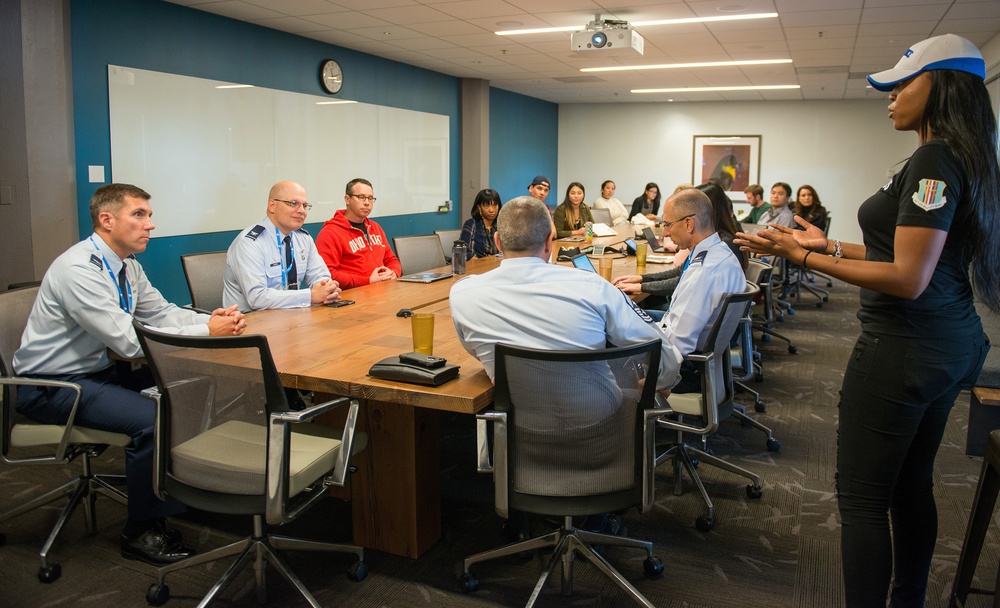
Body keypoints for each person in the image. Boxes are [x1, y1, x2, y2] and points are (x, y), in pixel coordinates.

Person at [735, 33, 998, 607]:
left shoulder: (935, 158)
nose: (892, 95)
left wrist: (802, 257)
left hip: (905, 348)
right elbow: (906, 256)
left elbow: (907, 276)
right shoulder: (963, 155)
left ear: (942, 86)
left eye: (904, 83)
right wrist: (826, 247)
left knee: (860, 498)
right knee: (909, 485)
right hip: (950, 342)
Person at [12, 183, 248, 566]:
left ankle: (179, 490)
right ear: (107, 220)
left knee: (195, 386)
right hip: (52, 386)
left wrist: (208, 319)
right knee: (154, 418)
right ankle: (142, 531)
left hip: (97, 373)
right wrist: (207, 333)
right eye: (139, 215)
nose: (150, 225)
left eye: (149, 215)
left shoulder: (125, 265)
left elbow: (162, 314)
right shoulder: (79, 270)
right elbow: (129, 343)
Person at [614, 184, 746, 316]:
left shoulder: (716, 251)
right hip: (690, 316)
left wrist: (641, 286)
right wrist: (641, 279)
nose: (666, 232)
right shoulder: (714, 244)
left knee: (621, 316)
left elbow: (678, 333)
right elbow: (682, 272)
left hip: (684, 317)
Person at [223, 180, 341, 312]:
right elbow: (257, 298)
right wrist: (310, 296)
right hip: (248, 323)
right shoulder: (249, 243)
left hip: (291, 317)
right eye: (293, 203)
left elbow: (320, 276)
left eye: (305, 205)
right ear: (272, 206)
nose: (302, 211)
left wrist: (326, 288)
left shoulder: (304, 238)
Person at [315, 178, 403, 289]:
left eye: (370, 198)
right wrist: (368, 281)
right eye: (361, 197)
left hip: (382, 292)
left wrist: (393, 273)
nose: (367, 203)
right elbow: (328, 275)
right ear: (347, 199)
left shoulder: (375, 227)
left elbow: (391, 260)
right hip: (354, 296)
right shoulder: (330, 232)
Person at [459, 188, 502, 259]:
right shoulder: (471, 224)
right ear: (479, 207)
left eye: (494, 205)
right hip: (476, 267)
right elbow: (463, 251)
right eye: (487, 206)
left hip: (496, 266)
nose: (491, 210)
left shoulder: (501, 225)